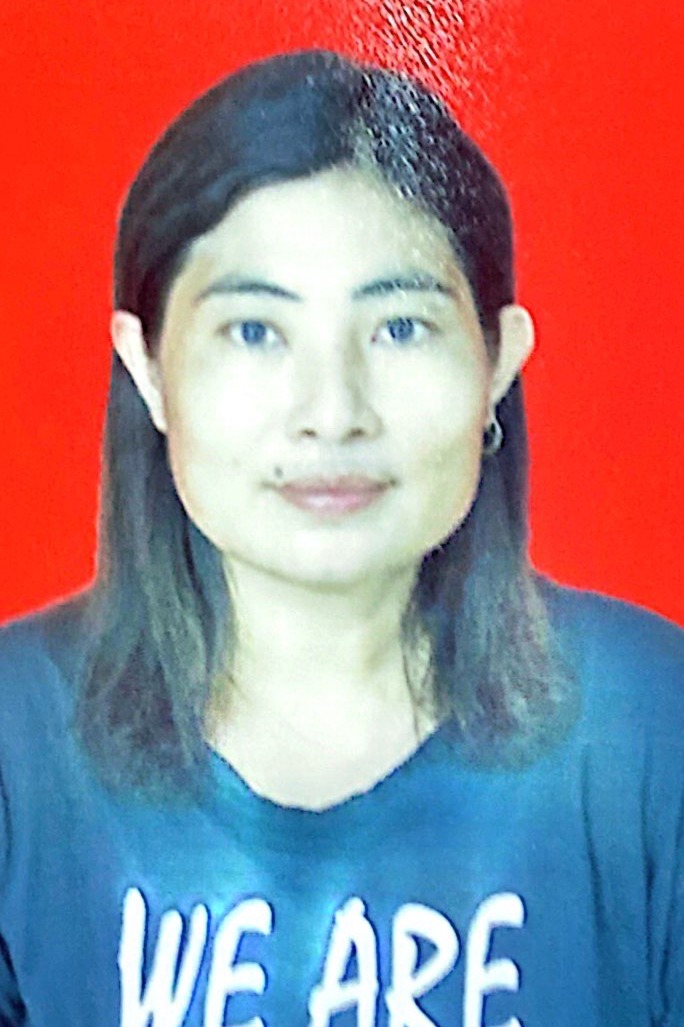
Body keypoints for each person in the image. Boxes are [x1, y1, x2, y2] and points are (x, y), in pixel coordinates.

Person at [0, 49, 682, 1027]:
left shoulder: (651, 726)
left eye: (400, 328)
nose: (332, 412)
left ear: (499, 362)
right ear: (146, 369)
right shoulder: (17, 742)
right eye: (254, 331)